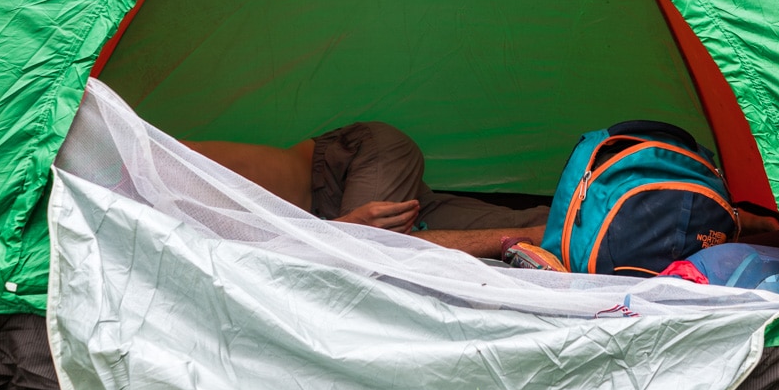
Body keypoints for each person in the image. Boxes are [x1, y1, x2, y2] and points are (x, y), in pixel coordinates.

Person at [182, 122, 548, 259]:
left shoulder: (140, 160)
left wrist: (345, 228)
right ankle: (581, 226)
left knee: (367, 256)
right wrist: (342, 226)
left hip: (352, 163)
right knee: (542, 229)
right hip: (336, 215)